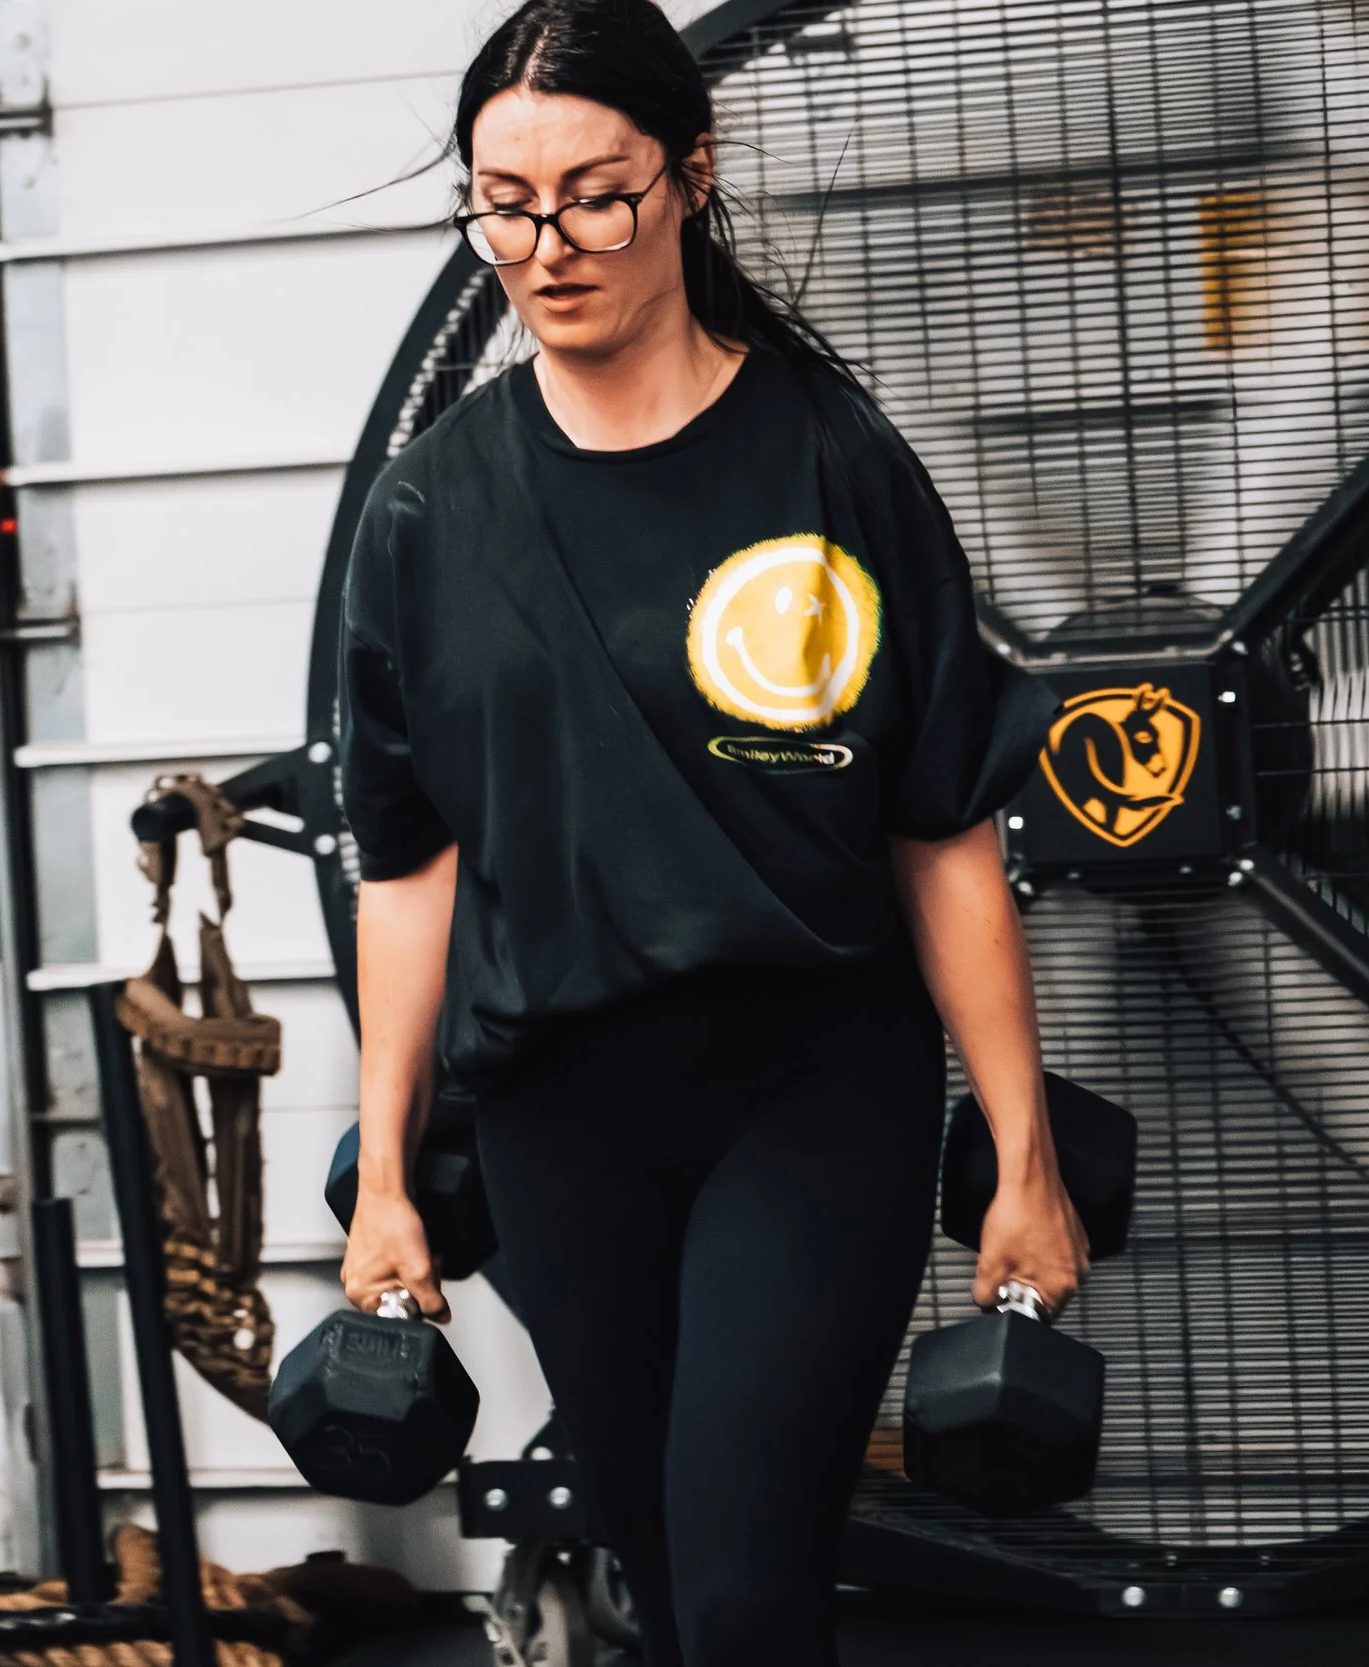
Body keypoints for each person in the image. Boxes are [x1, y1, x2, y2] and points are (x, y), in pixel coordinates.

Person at [334, 4, 1083, 1663]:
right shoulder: (429, 510)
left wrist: (1023, 1156)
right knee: (668, 1588)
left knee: (748, 1594)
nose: (547, 246)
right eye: (504, 201)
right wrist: (386, 1176)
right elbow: (409, 866)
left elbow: (941, 828)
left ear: (690, 176)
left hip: (810, 1092)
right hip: (557, 1119)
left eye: (596, 194)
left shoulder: (830, 458)